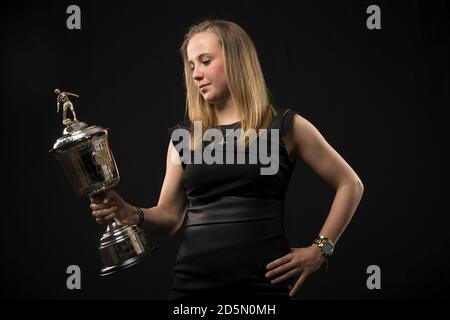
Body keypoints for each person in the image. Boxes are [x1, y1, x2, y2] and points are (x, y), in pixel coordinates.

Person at [90, 20, 364, 300]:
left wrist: (320, 250)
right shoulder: (185, 137)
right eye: (192, 65)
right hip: (192, 287)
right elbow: (170, 217)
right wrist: (131, 213)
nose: (196, 74)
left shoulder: (285, 126)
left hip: (263, 287)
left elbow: (350, 184)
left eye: (205, 61)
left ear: (237, 60)